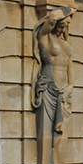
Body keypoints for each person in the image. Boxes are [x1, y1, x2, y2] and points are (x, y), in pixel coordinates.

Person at [32, 7, 75, 141]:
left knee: (60, 138)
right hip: (49, 87)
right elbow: (52, 18)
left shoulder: (65, 44)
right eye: (61, 25)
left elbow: (71, 67)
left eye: (66, 26)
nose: (62, 29)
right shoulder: (45, 38)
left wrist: (70, 86)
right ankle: (44, 163)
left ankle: (58, 162)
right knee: (45, 132)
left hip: (64, 91)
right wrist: (69, 10)